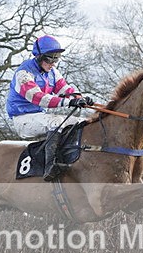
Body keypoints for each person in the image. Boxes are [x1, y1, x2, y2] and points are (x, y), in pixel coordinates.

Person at [6, 35, 93, 180]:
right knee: (56, 121)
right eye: (49, 58)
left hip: (40, 117)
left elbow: (65, 90)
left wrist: (79, 98)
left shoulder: (52, 72)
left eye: (56, 58)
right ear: (39, 56)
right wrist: (68, 102)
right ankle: (50, 166)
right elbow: (40, 99)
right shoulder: (24, 73)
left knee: (81, 122)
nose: (52, 63)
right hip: (23, 119)